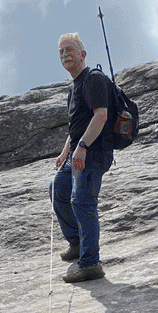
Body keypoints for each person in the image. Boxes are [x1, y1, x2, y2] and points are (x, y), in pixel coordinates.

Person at [51, 32, 115, 283]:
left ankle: (90, 263)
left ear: (82, 54)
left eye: (69, 50)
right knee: (58, 189)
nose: (65, 55)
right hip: (79, 150)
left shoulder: (94, 79)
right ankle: (77, 244)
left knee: (82, 201)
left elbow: (100, 115)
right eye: (61, 52)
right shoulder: (74, 87)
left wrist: (83, 146)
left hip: (94, 151)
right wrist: (67, 149)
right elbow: (76, 126)